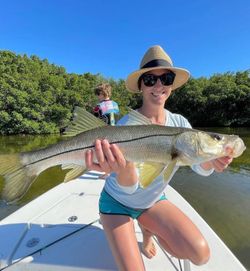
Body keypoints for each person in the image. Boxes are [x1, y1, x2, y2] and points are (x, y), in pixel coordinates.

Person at [85, 45, 234, 271]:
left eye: (166, 78)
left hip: (152, 202)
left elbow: (200, 168)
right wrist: (121, 169)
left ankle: (148, 231)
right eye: (150, 80)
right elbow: (128, 188)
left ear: (172, 85)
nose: (159, 85)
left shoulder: (181, 124)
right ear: (141, 86)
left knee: (201, 254)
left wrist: (211, 160)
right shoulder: (125, 126)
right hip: (117, 202)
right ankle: (139, 227)